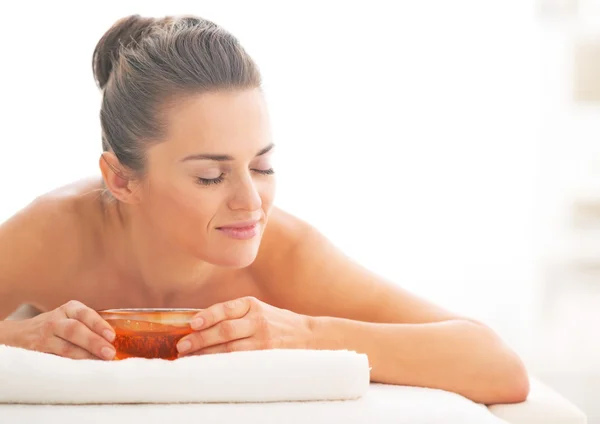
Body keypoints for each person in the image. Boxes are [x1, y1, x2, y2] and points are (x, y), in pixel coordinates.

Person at [0, 14, 529, 405]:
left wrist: (307, 334)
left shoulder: (286, 255)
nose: (250, 203)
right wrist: (16, 338)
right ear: (120, 179)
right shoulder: (57, 233)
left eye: (262, 165)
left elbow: (498, 366)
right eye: (210, 176)